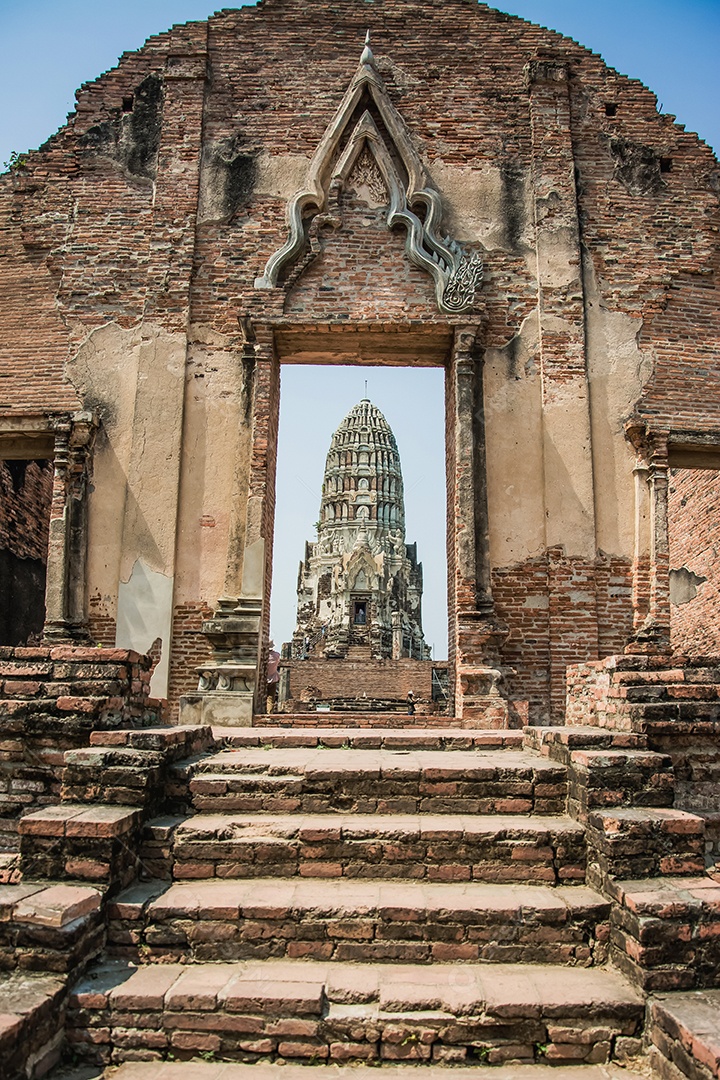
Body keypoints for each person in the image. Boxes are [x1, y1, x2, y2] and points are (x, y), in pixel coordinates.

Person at [266, 641, 280, 713]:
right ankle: (269, 713)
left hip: (264, 679)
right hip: (273, 679)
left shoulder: (264, 656)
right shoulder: (276, 655)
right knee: (270, 698)